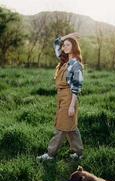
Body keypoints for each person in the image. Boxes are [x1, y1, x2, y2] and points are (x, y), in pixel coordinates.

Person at [36, 32, 84, 161]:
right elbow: (56, 43)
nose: (64, 47)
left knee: (61, 127)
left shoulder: (75, 64)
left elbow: (77, 87)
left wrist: (72, 105)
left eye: (68, 45)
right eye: (64, 45)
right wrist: (68, 36)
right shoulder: (64, 60)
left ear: (74, 47)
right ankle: (79, 153)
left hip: (69, 97)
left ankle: (50, 154)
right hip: (61, 96)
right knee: (71, 127)